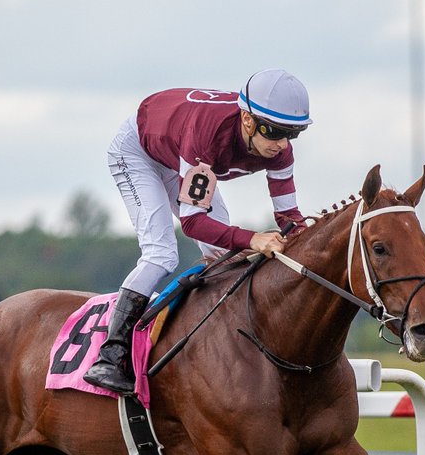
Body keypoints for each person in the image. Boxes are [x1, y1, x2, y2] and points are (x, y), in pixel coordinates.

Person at [83, 68, 312, 394]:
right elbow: (192, 222)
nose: (282, 144)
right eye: (274, 132)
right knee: (161, 253)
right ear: (247, 121)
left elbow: (288, 215)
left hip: (180, 152)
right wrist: (253, 238)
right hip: (139, 152)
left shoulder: (279, 153)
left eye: (292, 133)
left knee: (223, 256)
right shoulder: (209, 136)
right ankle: (110, 355)